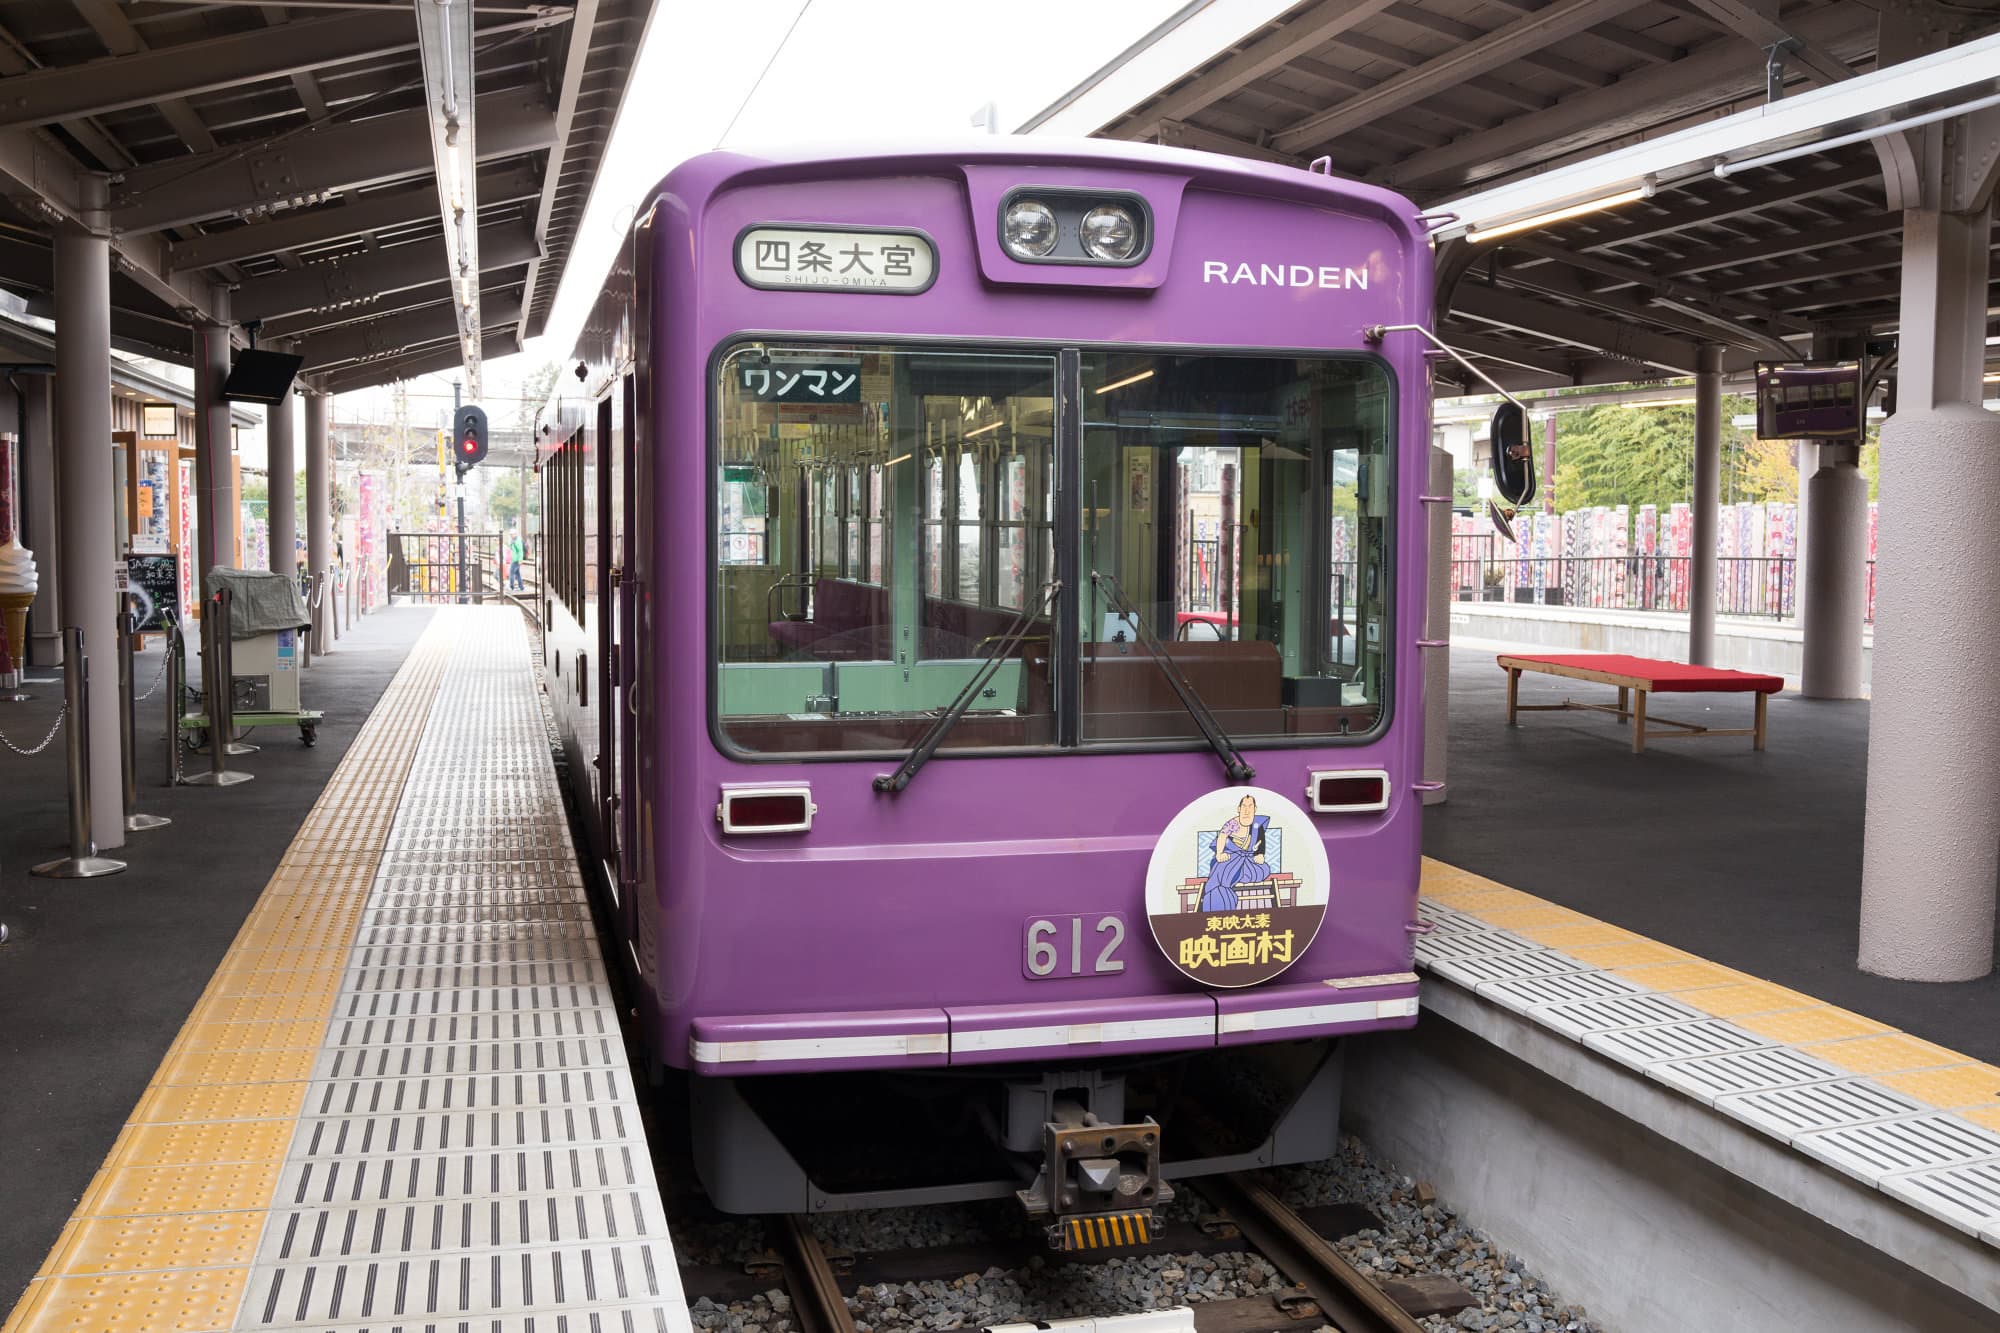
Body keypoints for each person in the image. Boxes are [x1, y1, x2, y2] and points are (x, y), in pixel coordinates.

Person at [1199, 793, 1271, 912]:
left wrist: (1260, 855)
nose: (1247, 810)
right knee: (1222, 873)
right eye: (1244, 806)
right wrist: (1219, 854)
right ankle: (1220, 901)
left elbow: (1260, 843)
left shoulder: (1257, 825)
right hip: (1231, 858)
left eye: (1250, 806)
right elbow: (1222, 837)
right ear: (1239, 809)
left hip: (1249, 861)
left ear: (1255, 809)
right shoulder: (1232, 824)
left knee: (1264, 869)